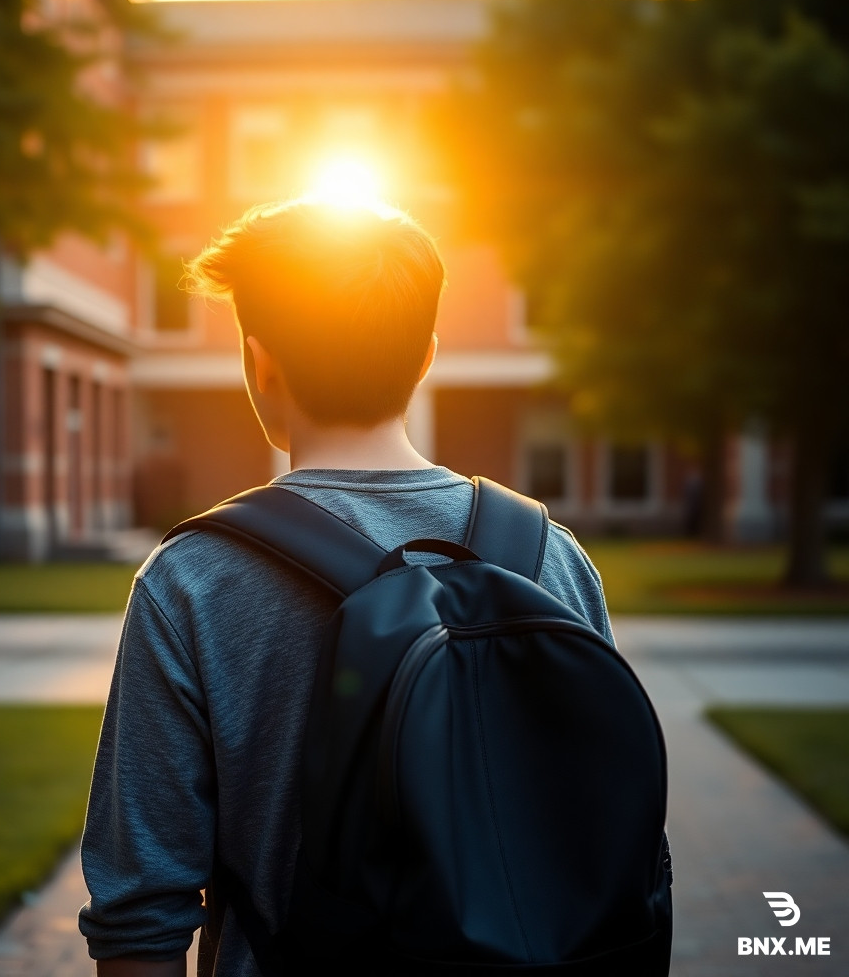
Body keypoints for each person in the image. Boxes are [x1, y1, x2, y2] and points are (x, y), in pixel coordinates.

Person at [78, 198, 616, 977]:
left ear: (261, 363)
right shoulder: (554, 558)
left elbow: (141, 913)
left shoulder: (192, 580)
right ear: (426, 356)